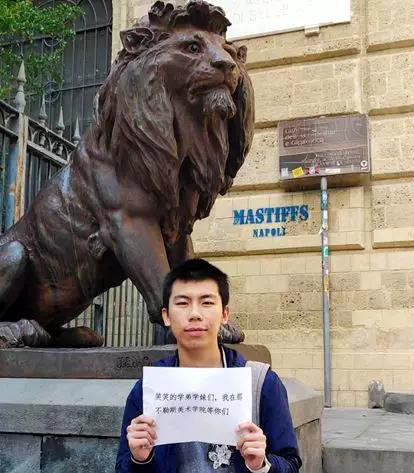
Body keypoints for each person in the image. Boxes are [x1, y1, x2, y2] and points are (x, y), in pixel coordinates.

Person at [116, 259, 301, 473]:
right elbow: (123, 467)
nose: (195, 314)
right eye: (183, 303)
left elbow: (290, 464)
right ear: (166, 316)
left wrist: (261, 465)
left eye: (206, 302)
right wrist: (139, 459)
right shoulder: (149, 388)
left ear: (224, 314)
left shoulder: (261, 383)